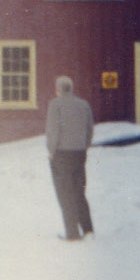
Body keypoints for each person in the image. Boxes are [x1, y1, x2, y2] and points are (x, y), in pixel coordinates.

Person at [45, 75, 95, 241]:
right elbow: (89, 129)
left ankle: (72, 233)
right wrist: (85, 145)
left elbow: (53, 130)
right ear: (72, 88)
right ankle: (88, 230)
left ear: (57, 89)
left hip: (61, 153)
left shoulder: (55, 105)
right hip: (79, 153)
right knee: (79, 192)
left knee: (65, 194)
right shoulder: (84, 105)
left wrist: (51, 150)